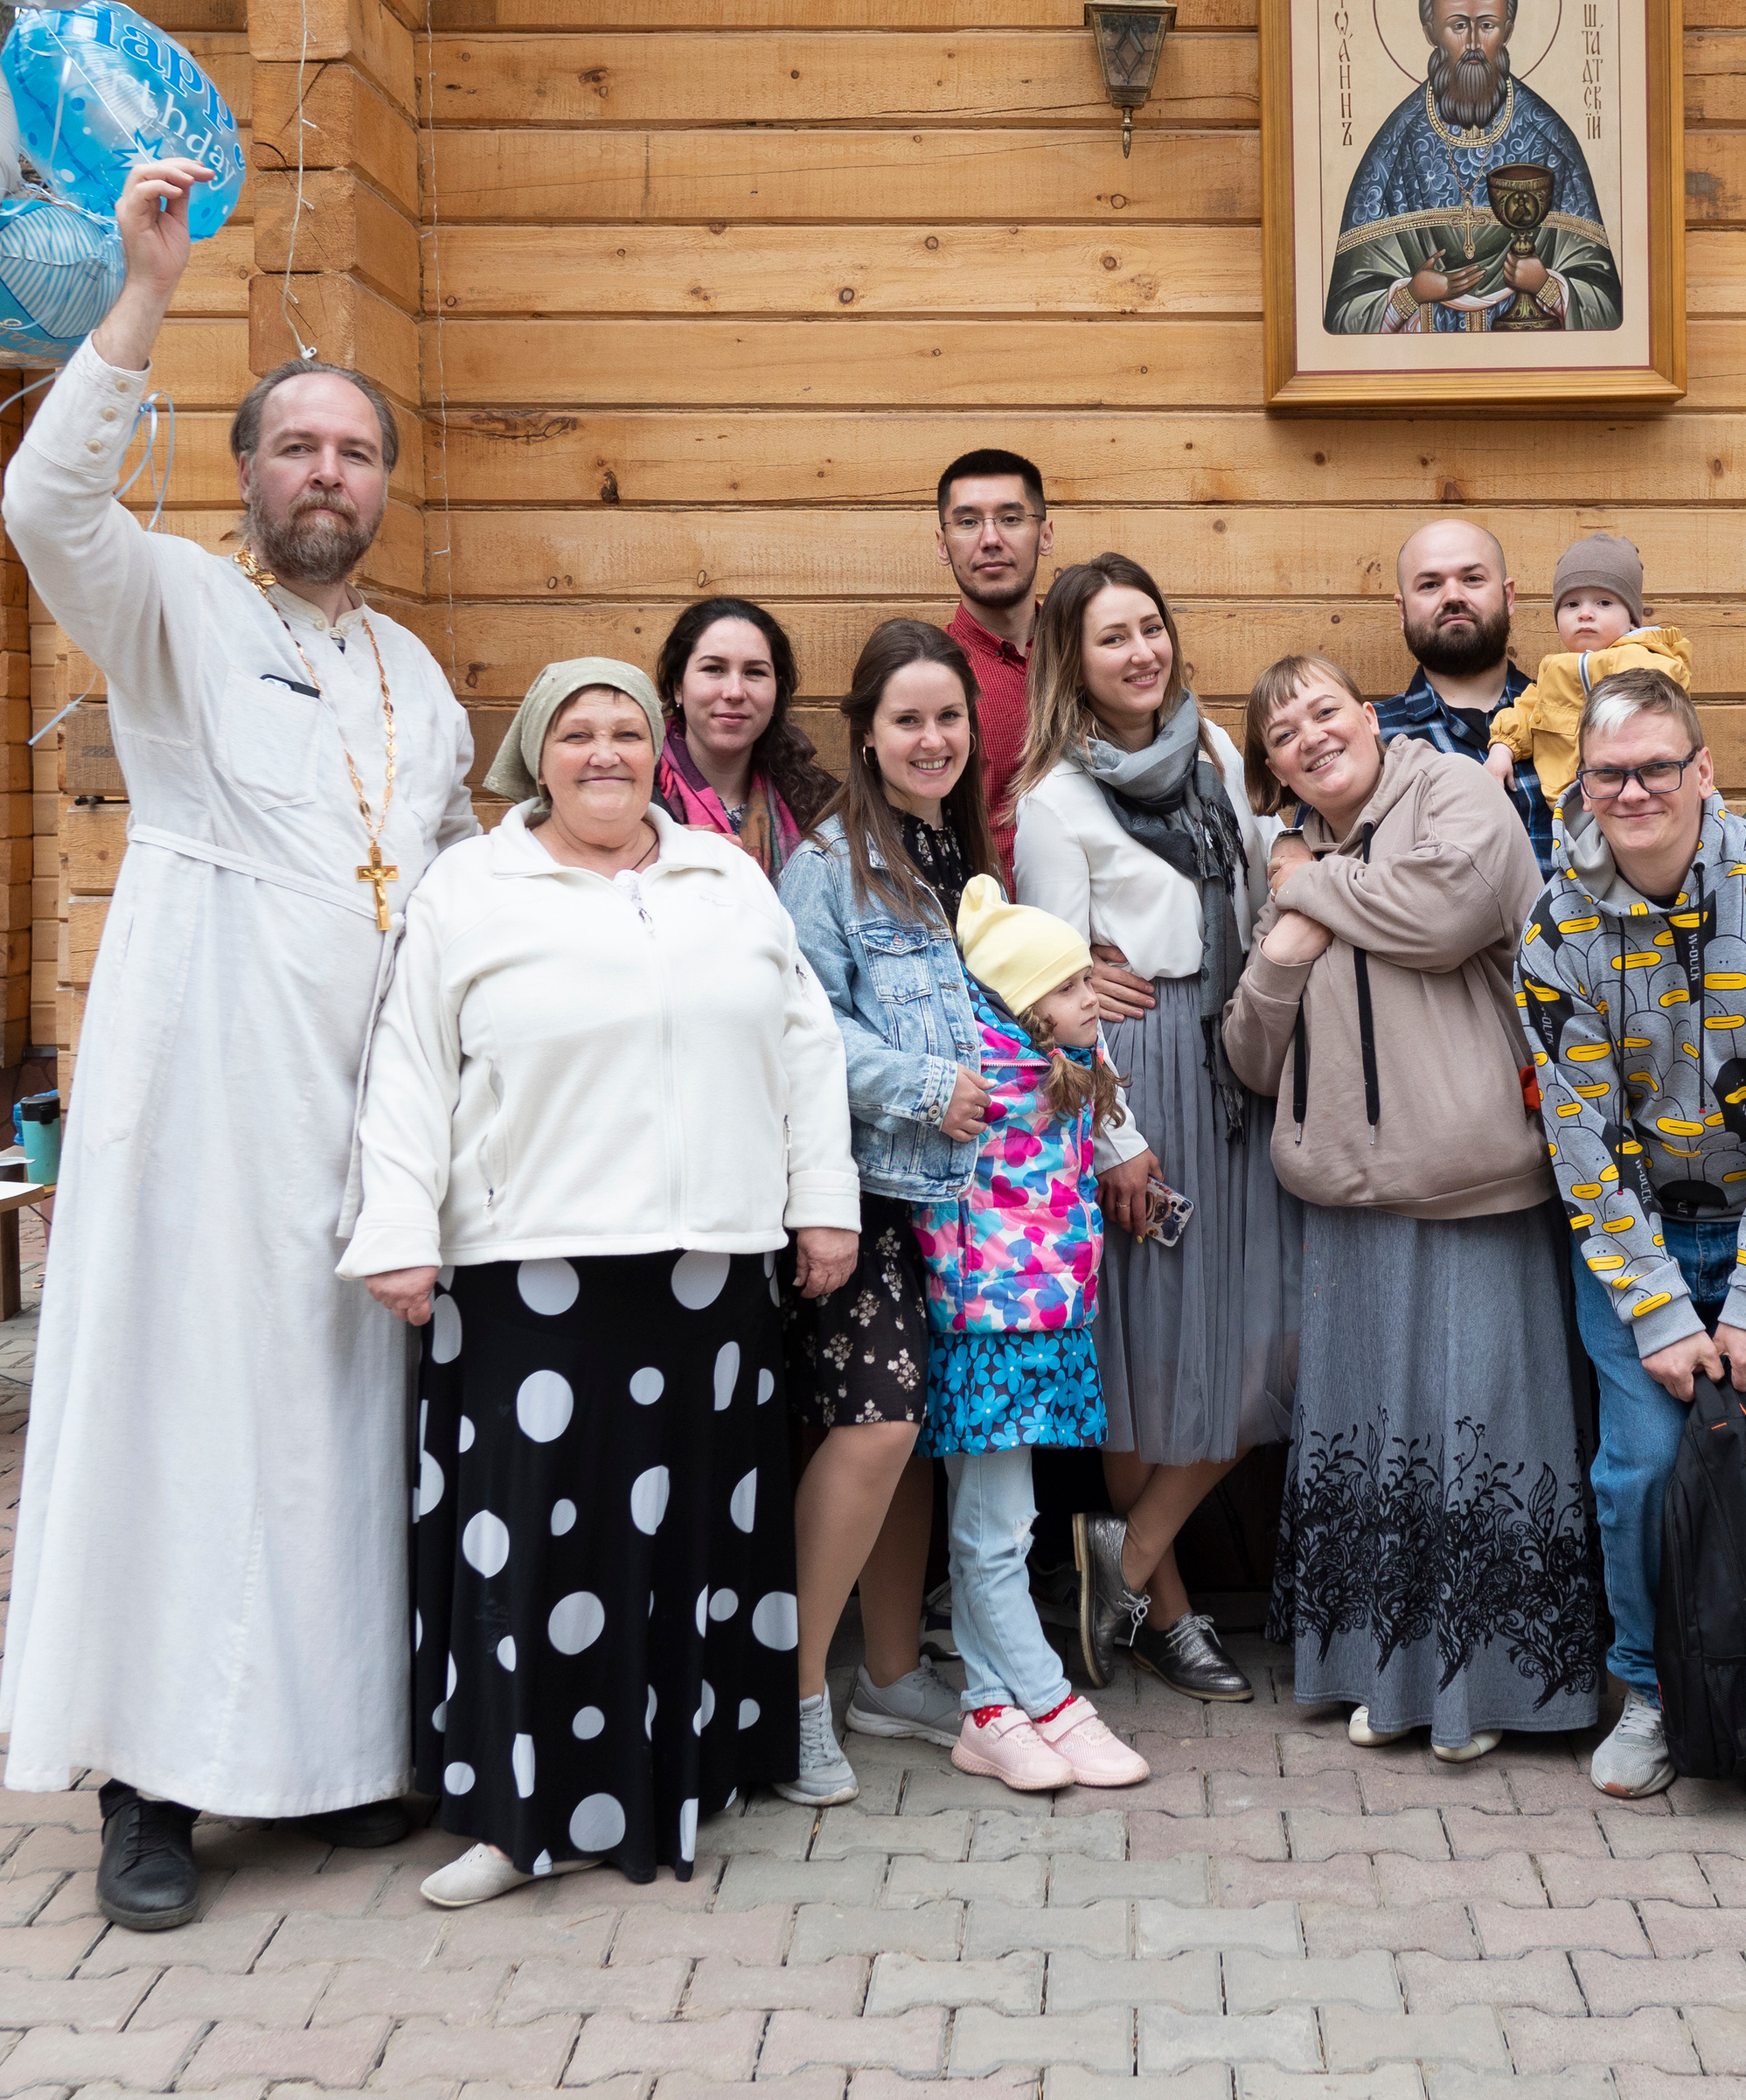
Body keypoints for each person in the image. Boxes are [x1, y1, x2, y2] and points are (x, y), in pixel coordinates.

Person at [0, 156, 477, 1930]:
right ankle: (154, 1780)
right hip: (201, 1088)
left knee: (341, 1427)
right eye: (297, 447)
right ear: (248, 471)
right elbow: (49, 506)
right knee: (190, 1421)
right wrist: (140, 296)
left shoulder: (417, 677)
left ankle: (331, 1747)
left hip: (356, 1110)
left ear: (382, 489)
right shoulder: (173, 612)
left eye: (354, 452)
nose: (326, 474)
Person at [337, 659, 857, 1902]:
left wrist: (820, 1202)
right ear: (537, 754)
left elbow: (805, 1047)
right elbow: (408, 1066)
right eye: (578, 733)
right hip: (535, 1271)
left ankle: (684, 1778)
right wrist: (400, 1229)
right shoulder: (472, 888)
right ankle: (516, 1820)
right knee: (533, 1548)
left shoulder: (723, 876)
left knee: (685, 1542)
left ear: (656, 749)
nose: (607, 753)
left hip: (709, 1268)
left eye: (629, 730)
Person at [1223, 657, 1601, 1757]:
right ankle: (1381, 1680)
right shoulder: (1298, 859)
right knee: (1371, 1438)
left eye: (1325, 710)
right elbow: (1251, 1055)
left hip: (1474, 1182)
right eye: (1282, 731)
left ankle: (1492, 1693)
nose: (1308, 737)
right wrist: (1285, 951)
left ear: (1370, 719)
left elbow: (1444, 914)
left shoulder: (1451, 791)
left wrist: (1299, 888)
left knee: (1483, 1425)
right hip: (1346, 1194)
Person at [779, 622, 1128, 1801]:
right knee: (886, 1429)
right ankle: (803, 1696)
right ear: (866, 735)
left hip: (986, 1211)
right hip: (882, 1192)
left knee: (954, 1443)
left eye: (949, 719)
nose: (932, 738)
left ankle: (911, 1676)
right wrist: (925, 1088)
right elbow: (806, 1022)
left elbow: (1020, 998)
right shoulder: (829, 861)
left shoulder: (963, 852)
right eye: (907, 719)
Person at [1518, 669, 1746, 1815]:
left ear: (1704, 772)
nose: (1636, 789)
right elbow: (1578, 1135)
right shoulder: (1558, 927)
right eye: (1611, 773)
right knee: (1642, 1472)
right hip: (1639, 1242)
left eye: (1659, 766)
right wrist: (1660, 1310)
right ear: (1588, 787)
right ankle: (1653, 1693)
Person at [1010, 553, 1295, 1700]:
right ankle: (1169, 1610)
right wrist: (1118, 1140)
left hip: (1239, 1048)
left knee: (1271, 1348)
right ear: (1074, 663)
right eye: (1113, 638)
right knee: (1151, 1353)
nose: (1142, 652)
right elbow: (1055, 1001)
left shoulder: (1220, 752)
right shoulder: (1054, 803)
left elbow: (1262, 879)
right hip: (1142, 1077)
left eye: (1151, 628)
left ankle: (1118, 1559)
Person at [914, 876, 1151, 1793]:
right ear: (1019, 1007)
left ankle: (986, 1704)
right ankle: (1048, 1701)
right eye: (1067, 988)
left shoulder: (1062, 1078)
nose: (1090, 998)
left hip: (1042, 1320)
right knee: (993, 1529)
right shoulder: (989, 1087)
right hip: (988, 1325)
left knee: (1000, 1524)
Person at [1324, 0, 1620, 335]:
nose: (1475, 43)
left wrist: (1546, 285)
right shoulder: (1397, 143)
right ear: (1430, 30)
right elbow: (1345, 314)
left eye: (1488, 25)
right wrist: (1410, 294)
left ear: (1508, 29)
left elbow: (1607, 307)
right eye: (1458, 26)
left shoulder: (1549, 138)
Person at [1372, 518, 1555, 874]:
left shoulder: (1573, 714)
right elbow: (1320, 846)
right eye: (1430, 584)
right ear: (1402, 611)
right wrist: (1292, 841)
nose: (1453, 595)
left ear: (1508, 596)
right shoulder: (1370, 737)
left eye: (1472, 579)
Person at [1488, 533, 1692, 803]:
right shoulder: (1554, 672)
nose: (1585, 613)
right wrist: (1502, 749)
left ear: (1632, 620)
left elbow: (1662, 716)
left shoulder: (1644, 662)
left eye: (1604, 603)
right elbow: (1526, 712)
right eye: (1571, 604)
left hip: (1631, 795)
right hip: (1567, 804)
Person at [651, 597, 837, 881]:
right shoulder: (638, 798)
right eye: (714, 669)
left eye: (754, 672)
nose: (735, 692)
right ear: (678, 687)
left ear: (777, 691)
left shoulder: (820, 803)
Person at [938, 449, 1052, 878]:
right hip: (985, 931)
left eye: (1010, 518)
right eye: (967, 522)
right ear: (942, 544)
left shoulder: (1091, 658)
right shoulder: (932, 677)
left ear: (1045, 534)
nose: (990, 539)